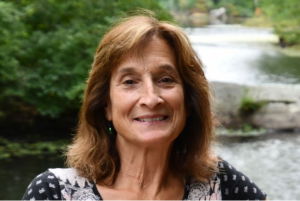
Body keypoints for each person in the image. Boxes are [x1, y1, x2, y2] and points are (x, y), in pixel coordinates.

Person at [22, 11, 268, 201]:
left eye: (165, 80)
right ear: (105, 105)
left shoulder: (223, 186)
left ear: (190, 102)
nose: (151, 98)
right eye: (130, 82)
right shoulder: (55, 193)